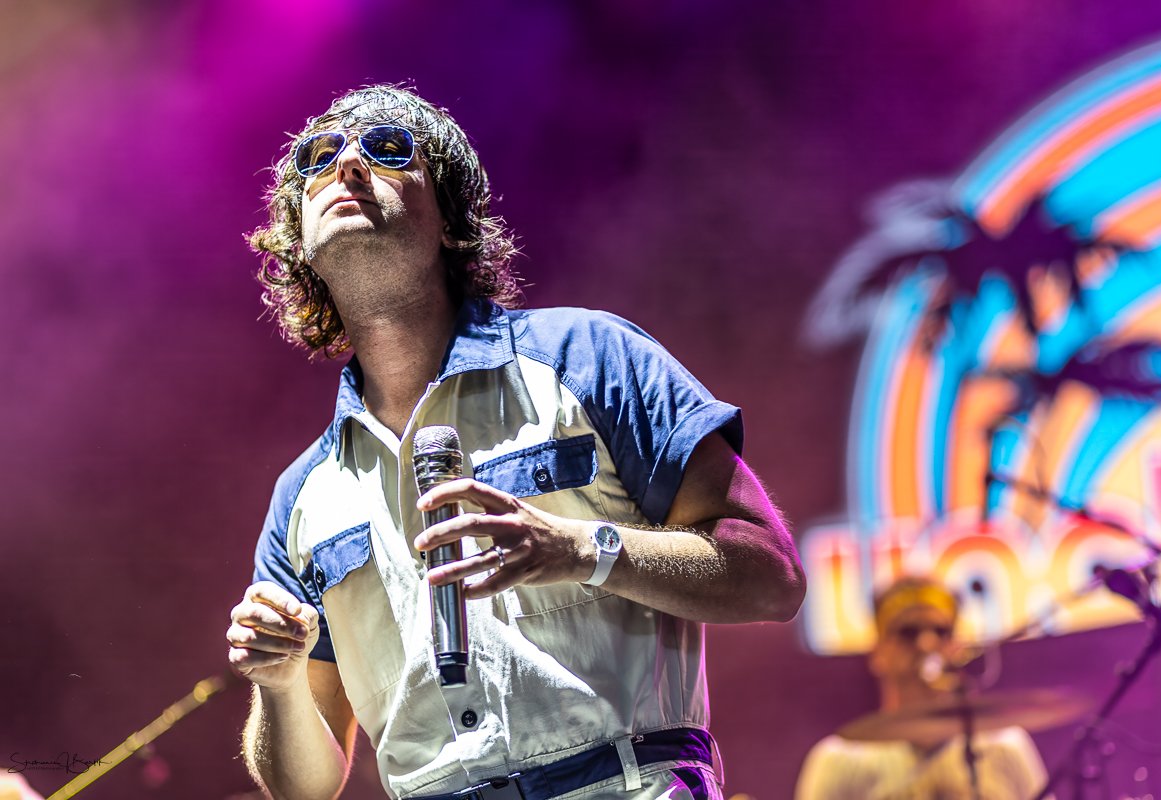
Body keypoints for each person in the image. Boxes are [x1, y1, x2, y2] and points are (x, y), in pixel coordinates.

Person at [225, 83, 806, 800]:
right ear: (302, 243)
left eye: (386, 149)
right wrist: (281, 685)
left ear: (450, 220)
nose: (347, 165)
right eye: (319, 158)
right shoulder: (304, 497)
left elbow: (771, 575)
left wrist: (581, 550)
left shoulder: (588, 356)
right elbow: (304, 790)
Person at [795, 576, 1047, 800]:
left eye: (942, 631)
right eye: (908, 632)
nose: (927, 644)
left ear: (958, 647)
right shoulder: (838, 760)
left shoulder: (1005, 746)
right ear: (877, 653)